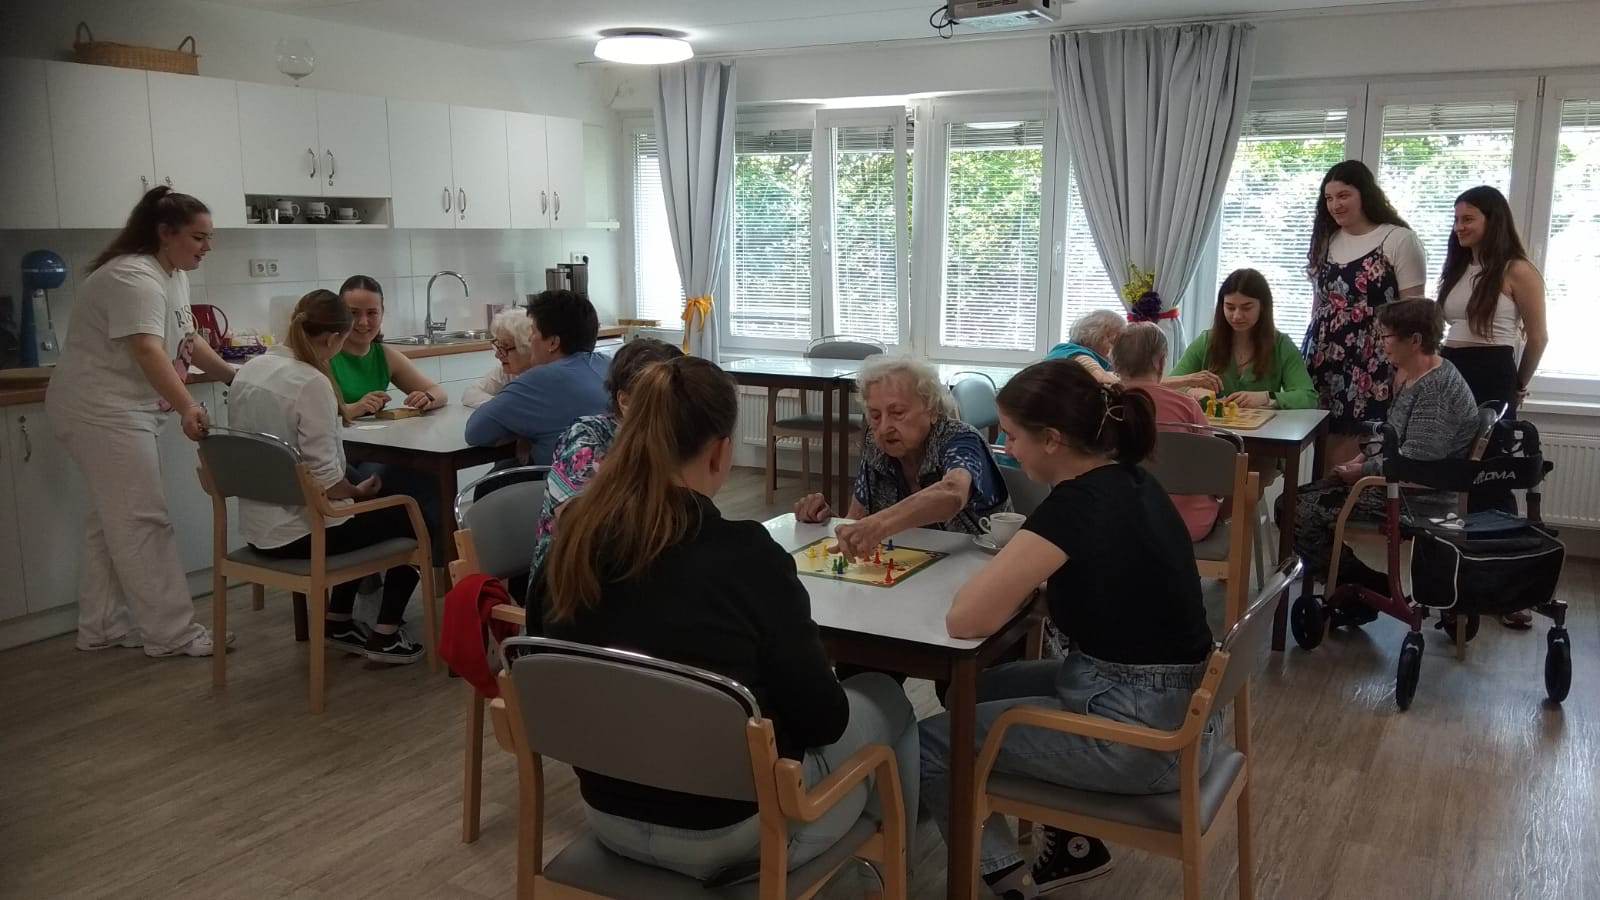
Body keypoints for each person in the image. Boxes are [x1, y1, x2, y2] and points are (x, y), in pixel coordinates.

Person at [532, 356, 919, 881]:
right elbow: (824, 721)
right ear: (719, 451)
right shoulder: (746, 557)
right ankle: (894, 871)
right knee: (885, 696)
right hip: (737, 833)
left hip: (607, 814)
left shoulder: (569, 547)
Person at [920, 359, 1215, 898]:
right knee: (971, 689)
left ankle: (1008, 882)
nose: (1006, 448)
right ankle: (1072, 841)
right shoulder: (1133, 479)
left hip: (1143, 737)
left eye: (1012, 436)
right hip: (1181, 707)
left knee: (934, 742)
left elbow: (965, 620)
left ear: (1053, 440)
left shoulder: (1076, 505)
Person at [45, 186, 236, 658]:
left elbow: (188, 341)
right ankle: (172, 633)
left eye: (209, 237)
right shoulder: (133, 276)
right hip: (100, 410)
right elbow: (148, 350)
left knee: (112, 521)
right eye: (199, 237)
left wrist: (236, 376)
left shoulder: (172, 273)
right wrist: (188, 407)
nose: (207, 247)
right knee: (142, 520)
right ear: (165, 232)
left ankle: (102, 626)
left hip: (122, 408)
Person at [229, 290, 425, 664]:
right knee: (413, 515)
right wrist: (357, 491)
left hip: (258, 530)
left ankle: (338, 620)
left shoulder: (251, 369)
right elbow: (328, 483)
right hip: (303, 535)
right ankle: (386, 634)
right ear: (335, 337)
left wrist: (352, 491)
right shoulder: (310, 382)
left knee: (363, 509)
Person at [1289, 299, 1479, 627]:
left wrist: (1361, 472)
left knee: (1293, 509)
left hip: (1414, 499)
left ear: (1415, 340)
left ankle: (1363, 589)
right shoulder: (1417, 375)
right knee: (1296, 501)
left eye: (1387, 337)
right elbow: (1394, 438)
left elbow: (1417, 465)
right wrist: (1362, 457)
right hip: (1395, 485)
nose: (1381, 344)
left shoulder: (1436, 391)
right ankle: (1359, 588)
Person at [1437, 185, 1549, 628]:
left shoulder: (1517, 269)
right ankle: (1458, 579)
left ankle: (1508, 590)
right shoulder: (1460, 266)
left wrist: (1518, 383)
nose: (1459, 227)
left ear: (1492, 221)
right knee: (1451, 476)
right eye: (1456, 219)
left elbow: (1537, 337)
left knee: (1492, 477)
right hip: (1451, 370)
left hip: (1493, 372)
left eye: (1468, 219)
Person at [793, 355, 1010, 556]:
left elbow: (952, 493)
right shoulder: (876, 446)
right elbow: (856, 520)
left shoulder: (961, 439)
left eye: (897, 413)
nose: (884, 427)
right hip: (913, 566)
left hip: (980, 564)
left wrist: (878, 524)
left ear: (932, 410)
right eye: (875, 416)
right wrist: (825, 518)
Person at [527, 337, 683, 584]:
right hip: (573, 582)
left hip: (643, 571)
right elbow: (581, 528)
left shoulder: (673, 439)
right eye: (661, 398)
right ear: (625, 401)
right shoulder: (585, 437)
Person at [1303, 160, 1428, 468]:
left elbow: (1415, 313)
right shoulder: (1327, 240)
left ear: (1365, 194)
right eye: (1329, 198)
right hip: (1324, 355)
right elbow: (1318, 305)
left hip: (1374, 358)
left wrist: (1406, 366)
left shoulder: (1398, 239)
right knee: (1323, 438)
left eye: (1343, 195)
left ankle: (1347, 497)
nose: (1335, 205)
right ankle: (1320, 496)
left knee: (1360, 440)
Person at [464, 289, 609, 465]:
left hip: (556, 480)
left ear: (553, 343)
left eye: (533, 332)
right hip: (615, 477)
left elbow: (475, 432)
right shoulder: (611, 365)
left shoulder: (538, 380)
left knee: (498, 476)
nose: (530, 340)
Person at [1113, 323, 1222, 541]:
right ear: (1161, 362)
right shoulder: (1187, 405)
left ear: (1115, 363)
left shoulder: (1104, 405)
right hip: (1185, 524)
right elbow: (1214, 469)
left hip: (1115, 521)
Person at [1170, 268, 1319, 410]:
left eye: (1246, 308)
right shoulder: (1206, 341)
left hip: (1264, 428)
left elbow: (1308, 397)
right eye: (1230, 307)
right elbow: (1168, 385)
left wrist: (1267, 398)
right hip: (1211, 427)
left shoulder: (1281, 345)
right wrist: (1191, 391)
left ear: (1263, 307)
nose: (1237, 316)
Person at [330, 275, 447, 422]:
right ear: (340, 314)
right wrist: (353, 409)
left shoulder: (386, 356)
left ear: (382, 313)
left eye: (372, 313)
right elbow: (311, 412)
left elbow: (439, 392)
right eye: (353, 313)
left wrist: (427, 398)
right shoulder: (325, 354)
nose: (363, 322)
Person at [462, 308, 538, 408]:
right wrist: (504, 404)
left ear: (528, 347)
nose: (497, 355)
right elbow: (470, 394)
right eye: (498, 346)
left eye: (505, 346)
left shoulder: (546, 376)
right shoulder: (506, 372)